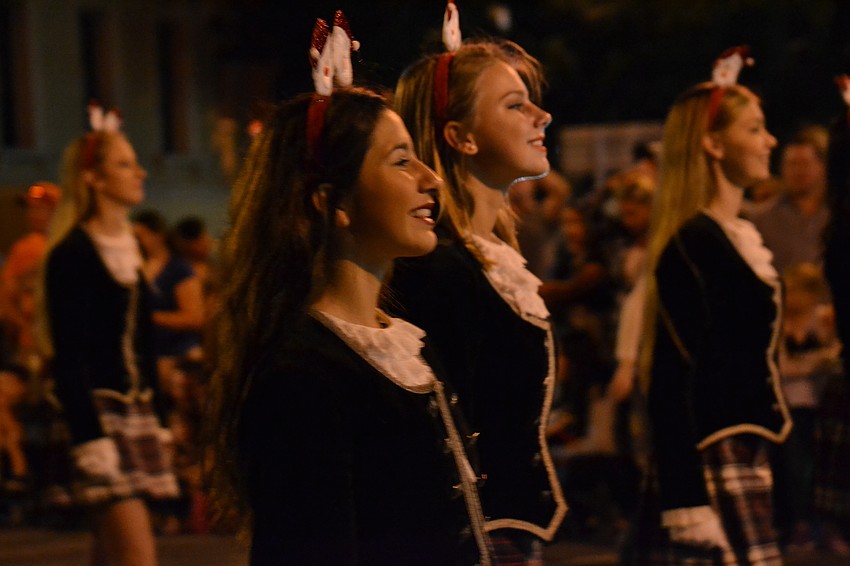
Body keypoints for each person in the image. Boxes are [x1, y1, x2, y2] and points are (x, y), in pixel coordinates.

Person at [204, 78, 492, 563]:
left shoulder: (406, 347)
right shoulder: (303, 375)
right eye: (401, 161)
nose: (431, 179)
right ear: (331, 202)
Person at [389, 35, 567, 562]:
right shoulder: (440, 269)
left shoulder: (487, 258)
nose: (543, 116)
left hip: (507, 528)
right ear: (460, 137)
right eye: (515, 105)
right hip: (474, 537)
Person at [629, 49, 791, 565]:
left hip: (745, 448)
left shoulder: (736, 236)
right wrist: (685, 499)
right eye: (755, 129)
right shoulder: (693, 243)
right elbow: (670, 377)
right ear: (713, 143)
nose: (770, 142)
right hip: (711, 455)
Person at [39, 110, 178, 566]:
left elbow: (143, 344)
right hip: (98, 417)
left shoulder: (130, 249)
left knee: (110, 556)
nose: (139, 173)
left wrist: (157, 414)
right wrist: (89, 437)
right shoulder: (73, 254)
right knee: (136, 556)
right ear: (93, 179)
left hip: (133, 410)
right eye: (123, 164)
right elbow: (69, 355)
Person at [131, 209, 205, 390]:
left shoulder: (179, 269)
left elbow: (194, 317)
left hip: (177, 354)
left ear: (159, 236)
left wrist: (150, 317)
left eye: (142, 235)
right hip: (147, 353)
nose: (137, 241)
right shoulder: (137, 268)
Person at [747, 125, 829, 274]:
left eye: (805, 164)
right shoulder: (762, 219)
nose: (798, 171)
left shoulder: (839, 215)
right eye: (792, 164)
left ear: (823, 166)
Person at [0, 182, 61, 369]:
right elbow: (5, 301)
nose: (33, 214)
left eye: (41, 209)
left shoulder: (61, 246)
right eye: (31, 208)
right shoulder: (26, 247)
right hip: (35, 346)